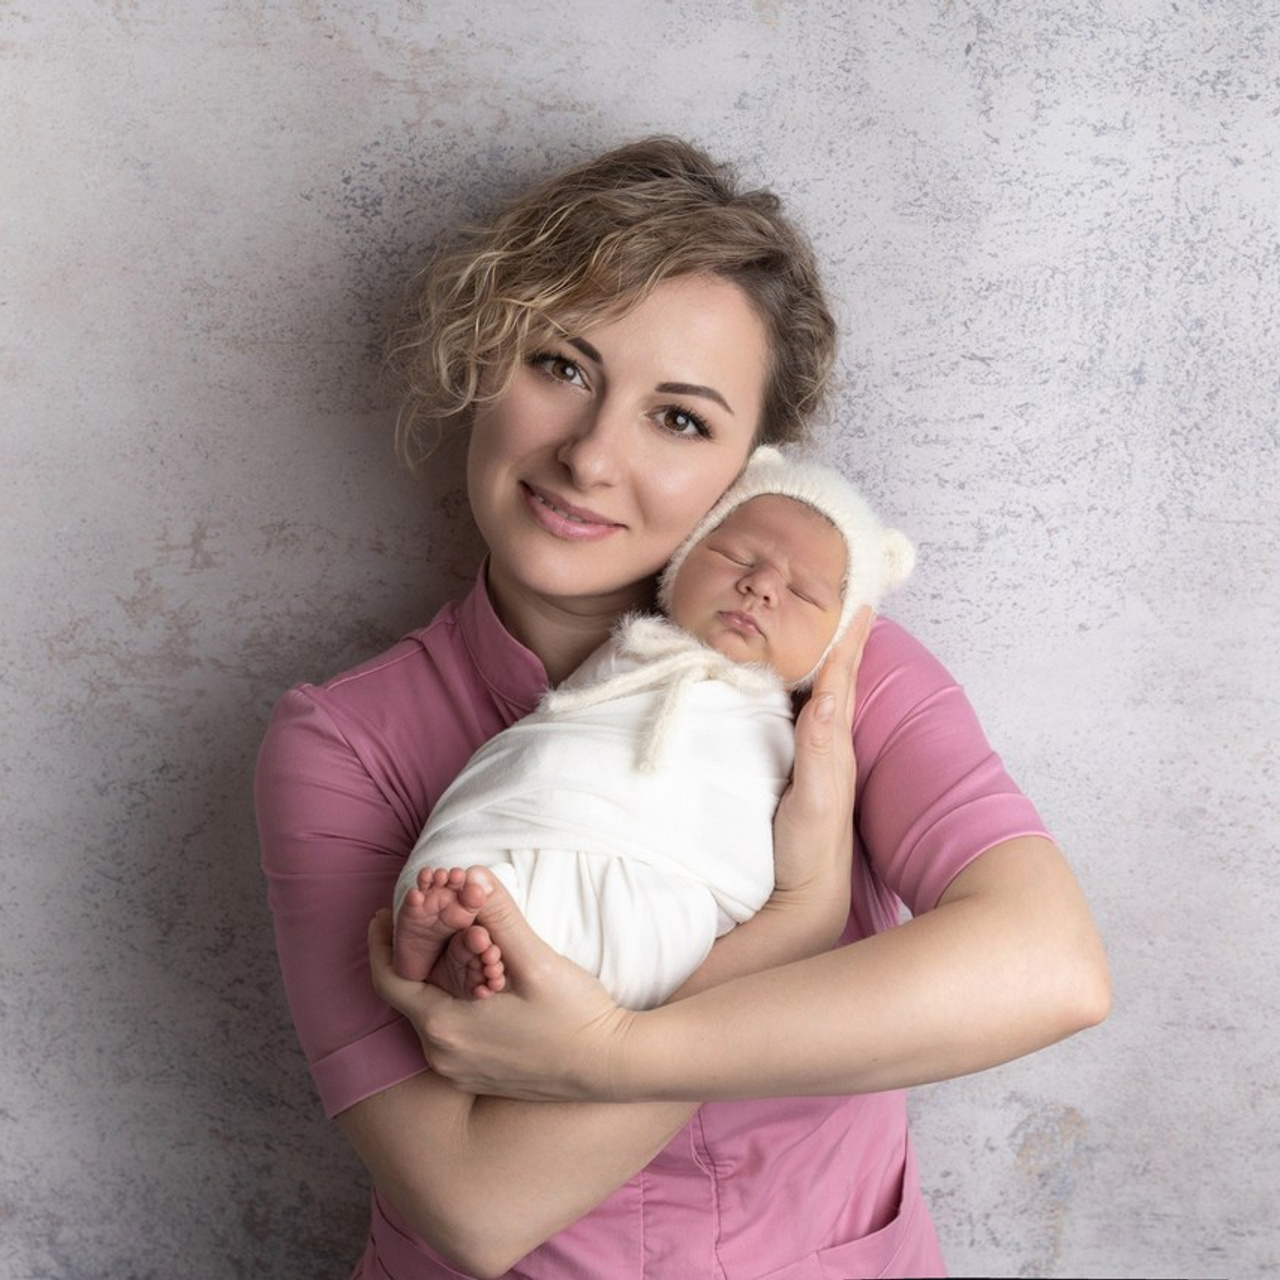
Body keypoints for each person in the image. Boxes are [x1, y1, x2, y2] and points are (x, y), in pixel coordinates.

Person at [256, 136, 1110, 1279]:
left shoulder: (839, 672)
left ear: (751, 470)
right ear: (484, 361)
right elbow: (474, 1204)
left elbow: (1049, 966)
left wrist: (608, 1050)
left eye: (678, 419)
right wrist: (791, 922)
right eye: (561, 366)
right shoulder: (345, 741)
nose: (589, 457)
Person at [392, 446, 916, 1010]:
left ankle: (494, 960)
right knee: (467, 865)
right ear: (682, 559)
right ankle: (456, 938)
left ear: (836, 638)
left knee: (659, 931)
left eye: (802, 592)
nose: (761, 586)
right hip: (542, 817)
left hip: (668, 871)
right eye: (736, 556)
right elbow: (557, 736)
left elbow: (741, 827)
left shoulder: (786, 724)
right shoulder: (633, 646)